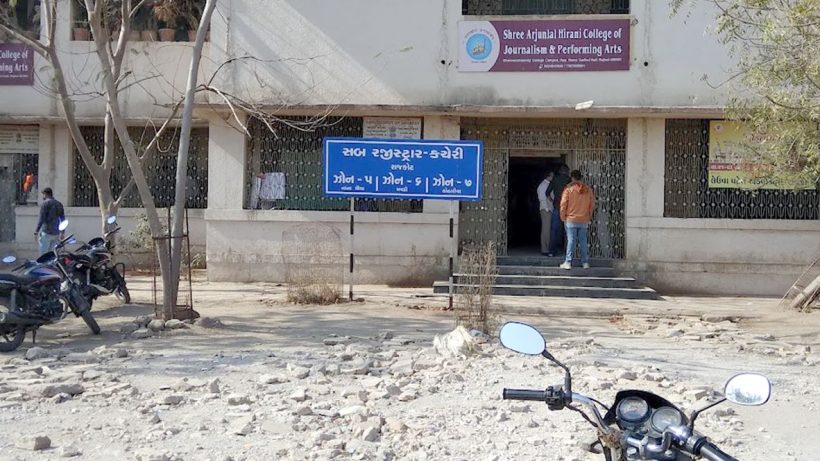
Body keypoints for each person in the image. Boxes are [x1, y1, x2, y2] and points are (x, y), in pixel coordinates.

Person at [559, 170, 595, 269]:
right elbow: (592, 204)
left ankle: (568, 262)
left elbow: (563, 204)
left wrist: (562, 217)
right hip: (584, 219)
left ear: (572, 178)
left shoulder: (568, 189)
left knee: (571, 240)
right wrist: (589, 216)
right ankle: (585, 262)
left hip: (571, 219)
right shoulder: (588, 190)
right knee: (583, 241)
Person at [546, 164, 570, 256]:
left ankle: (552, 252)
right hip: (568, 207)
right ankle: (570, 253)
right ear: (567, 171)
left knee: (554, 229)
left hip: (557, 206)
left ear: (560, 171)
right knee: (569, 230)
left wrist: (552, 200)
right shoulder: (569, 180)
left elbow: (547, 192)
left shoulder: (554, 179)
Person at [34, 187, 65, 255]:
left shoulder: (45, 204)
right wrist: (62, 232)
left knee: (43, 255)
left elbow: (41, 219)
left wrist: (36, 231)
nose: (43, 196)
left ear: (45, 194)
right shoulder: (59, 204)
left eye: (43, 194)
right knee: (51, 255)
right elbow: (63, 219)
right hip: (56, 233)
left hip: (46, 232)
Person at [536, 170, 554, 255]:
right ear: (548, 176)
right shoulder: (543, 185)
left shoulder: (547, 184)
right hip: (546, 209)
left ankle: (547, 248)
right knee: (546, 229)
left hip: (548, 209)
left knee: (547, 229)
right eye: (552, 176)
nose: (553, 177)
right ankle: (545, 249)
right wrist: (548, 208)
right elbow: (542, 198)